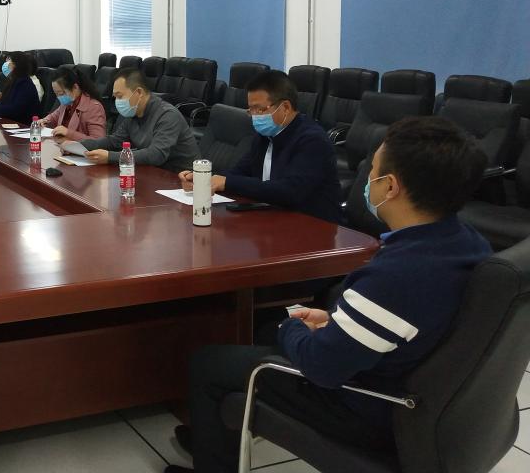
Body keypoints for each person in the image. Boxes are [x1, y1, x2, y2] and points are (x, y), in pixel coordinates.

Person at [164, 116, 490, 473]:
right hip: (421, 390)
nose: (367, 177)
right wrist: (335, 321)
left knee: (211, 362)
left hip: (368, 405)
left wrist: (290, 327)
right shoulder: (468, 242)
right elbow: (401, 320)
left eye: (373, 170)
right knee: (267, 330)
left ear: (390, 186)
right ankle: (213, 438)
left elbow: (321, 366)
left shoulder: (400, 274)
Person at [178, 69, 343, 224]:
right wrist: (204, 180)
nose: (254, 116)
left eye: (259, 109)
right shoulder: (264, 136)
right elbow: (238, 173)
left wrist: (226, 182)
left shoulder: (313, 141)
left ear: (285, 107)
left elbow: (290, 191)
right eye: (251, 110)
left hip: (313, 226)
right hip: (274, 220)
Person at [80, 68, 200, 172]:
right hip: (153, 174)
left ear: (139, 92)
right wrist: (79, 146)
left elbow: (156, 155)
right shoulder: (133, 114)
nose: (117, 101)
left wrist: (109, 157)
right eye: (115, 97)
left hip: (182, 180)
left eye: (120, 96)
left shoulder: (167, 115)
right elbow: (114, 141)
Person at [41, 66, 106, 141]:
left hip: (80, 148)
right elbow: (53, 117)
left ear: (75, 87)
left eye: (61, 93)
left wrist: (68, 133)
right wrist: (44, 121)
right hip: (62, 145)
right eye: (56, 94)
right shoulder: (68, 103)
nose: (59, 97)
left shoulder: (94, 107)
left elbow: (99, 141)